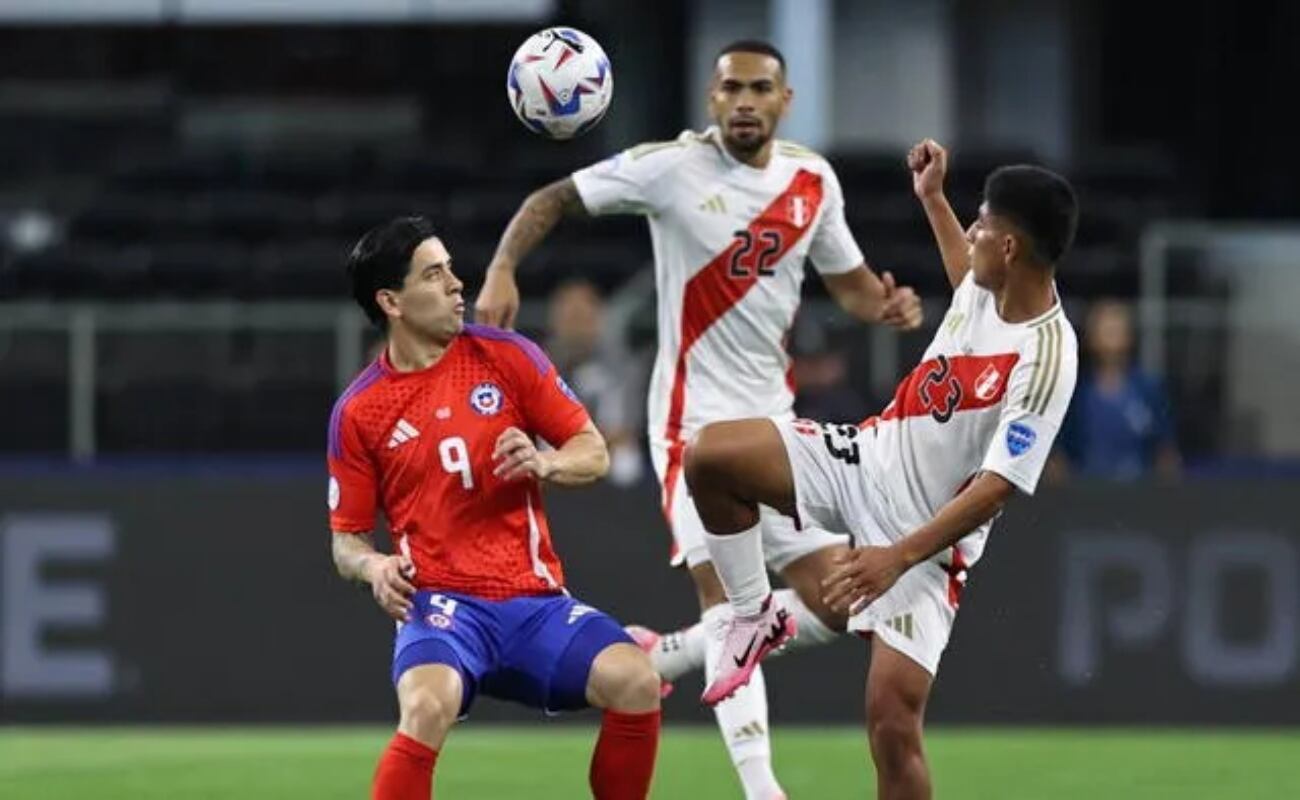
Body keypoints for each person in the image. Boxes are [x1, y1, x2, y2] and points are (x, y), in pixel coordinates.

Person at [476, 39, 922, 799]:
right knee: (733, 604)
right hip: (689, 427)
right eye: (730, 89)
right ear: (711, 101)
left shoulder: (812, 181)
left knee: (845, 602)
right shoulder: (669, 169)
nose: (744, 101)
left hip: (772, 428)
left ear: (785, 101)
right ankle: (762, 790)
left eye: (759, 89)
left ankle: (674, 653)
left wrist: (883, 307)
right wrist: (500, 268)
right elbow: (546, 199)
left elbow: (847, 285)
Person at [686, 141, 1079, 800]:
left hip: (925, 544)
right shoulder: (989, 284)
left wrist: (894, 557)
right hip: (866, 455)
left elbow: (997, 488)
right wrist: (932, 201)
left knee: (892, 727)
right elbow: (965, 276)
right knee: (712, 457)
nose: (973, 232)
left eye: (982, 223)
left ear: (1010, 247)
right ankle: (753, 615)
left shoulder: (1046, 358)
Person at [328, 217, 661, 800]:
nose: (458, 285)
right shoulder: (360, 412)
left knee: (636, 681)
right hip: (440, 607)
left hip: (532, 604)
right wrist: (374, 568)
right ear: (392, 301)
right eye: (435, 274)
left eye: (453, 269)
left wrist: (546, 464)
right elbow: (346, 541)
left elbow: (594, 451)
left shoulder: (505, 357)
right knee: (427, 706)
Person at [1055, 299, 1181, 480]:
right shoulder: (1075, 394)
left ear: (1129, 335)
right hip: (1086, 492)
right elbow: (1061, 454)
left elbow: (1165, 450)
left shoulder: (1149, 390)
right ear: (1091, 337)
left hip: (1140, 492)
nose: (1111, 334)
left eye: (1117, 328)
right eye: (1105, 328)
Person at [545, 279, 647, 487]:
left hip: (607, 446)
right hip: (557, 447)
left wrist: (589, 441)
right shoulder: (539, 363)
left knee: (626, 459)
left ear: (599, 318)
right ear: (555, 319)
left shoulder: (624, 364)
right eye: (570, 317)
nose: (576, 326)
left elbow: (628, 427)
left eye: (582, 317)